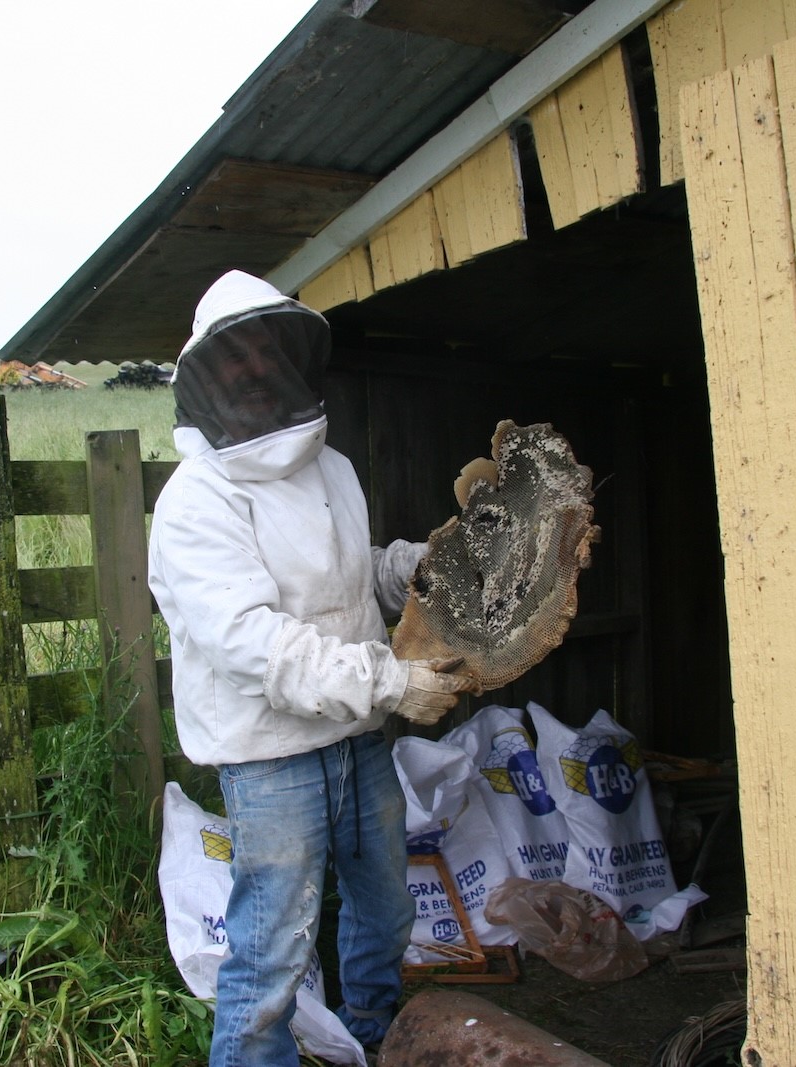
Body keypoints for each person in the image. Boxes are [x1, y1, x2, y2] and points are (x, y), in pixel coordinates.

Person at [147, 269, 479, 1066]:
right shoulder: (196, 500)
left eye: (268, 350)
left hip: (358, 740)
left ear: (292, 358)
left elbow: (338, 574)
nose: (254, 369)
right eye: (236, 360)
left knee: (386, 910)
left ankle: (368, 1040)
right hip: (270, 762)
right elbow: (255, 642)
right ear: (208, 376)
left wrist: (407, 568)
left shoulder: (331, 468)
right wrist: (394, 683)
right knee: (271, 953)